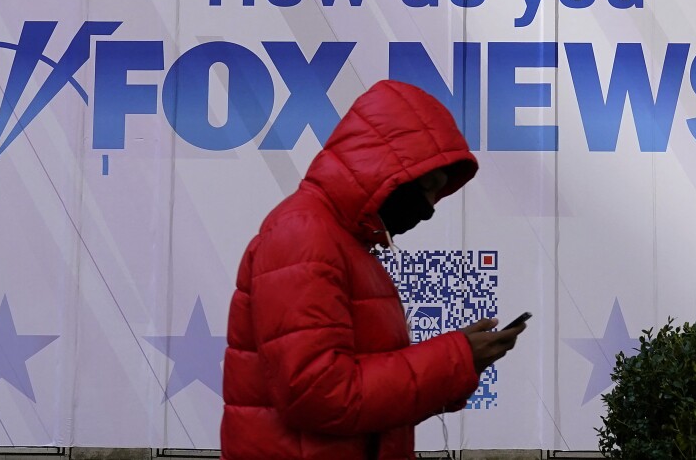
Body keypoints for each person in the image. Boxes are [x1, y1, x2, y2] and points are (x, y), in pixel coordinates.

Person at [220, 80, 526, 460]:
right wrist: (454, 359)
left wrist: (460, 363)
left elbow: (367, 393)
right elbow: (316, 394)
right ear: (382, 167)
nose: (430, 207)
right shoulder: (304, 234)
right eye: (427, 187)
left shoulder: (345, 243)